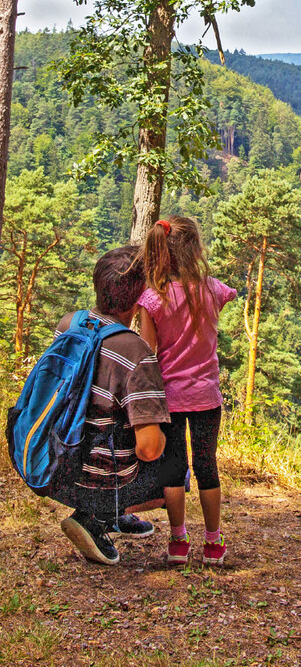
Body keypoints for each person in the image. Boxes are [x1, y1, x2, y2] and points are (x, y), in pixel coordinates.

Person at [54, 247, 170, 566]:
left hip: (55, 463)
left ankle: (110, 512)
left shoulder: (68, 324)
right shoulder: (135, 351)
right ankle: (99, 515)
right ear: (140, 299)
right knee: (174, 465)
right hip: (94, 478)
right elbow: (148, 450)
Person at [136, 215, 236, 566]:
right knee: (207, 466)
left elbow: (148, 351)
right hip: (206, 396)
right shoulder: (213, 289)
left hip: (170, 399)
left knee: (173, 468)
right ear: (194, 250)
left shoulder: (152, 299)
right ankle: (213, 542)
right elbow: (228, 296)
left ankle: (178, 541)